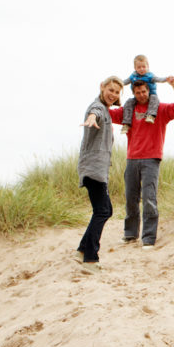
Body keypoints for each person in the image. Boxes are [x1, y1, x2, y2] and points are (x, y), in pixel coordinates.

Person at [110, 76, 174, 248]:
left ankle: (149, 238)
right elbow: (108, 112)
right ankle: (130, 234)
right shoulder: (128, 111)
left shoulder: (159, 109)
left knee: (149, 199)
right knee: (130, 198)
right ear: (133, 93)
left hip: (151, 159)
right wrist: (105, 93)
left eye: (144, 91)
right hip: (132, 160)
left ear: (149, 90)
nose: (141, 95)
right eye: (137, 92)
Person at [76, 76, 124, 274]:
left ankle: (81, 251)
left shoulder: (105, 109)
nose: (112, 94)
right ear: (102, 87)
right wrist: (91, 117)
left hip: (96, 169)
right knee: (103, 211)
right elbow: (94, 112)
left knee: (105, 210)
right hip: (93, 169)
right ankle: (90, 259)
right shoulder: (97, 108)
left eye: (117, 92)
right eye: (110, 90)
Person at [121, 54, 168, 133]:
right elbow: (125, 82)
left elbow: (158, 79)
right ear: (135, 68)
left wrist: (166, 79)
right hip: (138, 97)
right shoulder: (133, 76)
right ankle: (126, 123)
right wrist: (117, 83)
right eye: (139, 67)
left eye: (143, 66)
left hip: (150, 96)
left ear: (147, 66)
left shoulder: (150, 76)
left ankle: (150, 116)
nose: (141, 69)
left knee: (155, 100)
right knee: (129, 102)